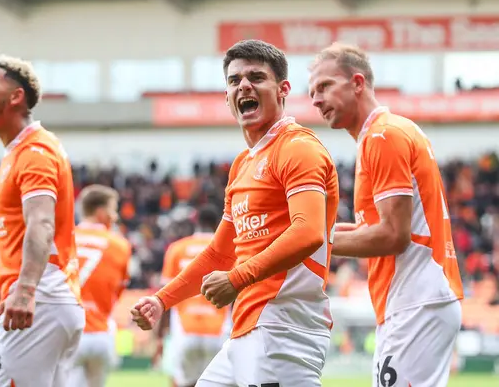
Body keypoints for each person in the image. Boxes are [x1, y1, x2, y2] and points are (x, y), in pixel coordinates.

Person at [131, 39, 340, 387]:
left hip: (283, 327)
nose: (244, 85)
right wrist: (161, 300)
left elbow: (308, 232)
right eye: (234, 80)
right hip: (247, 329)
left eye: (257, 77)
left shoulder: (298, 148)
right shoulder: (243, 164)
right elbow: (219, 253)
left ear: (283, 89)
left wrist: (236, 279)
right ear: (227, 97)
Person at [307, 42, 464, 387]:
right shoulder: (389, 132)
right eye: (312, 92)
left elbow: (393, 235)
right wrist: (311, 231)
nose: (315, 100)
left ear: (357, 83)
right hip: (415, 300)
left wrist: (314, 242)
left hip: (415, 299)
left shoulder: (382, 136)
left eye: (325, 87)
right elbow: (374, 226)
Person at [0, 55, 85, 387]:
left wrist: (26, 291)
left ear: (15, 97)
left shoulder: (35, 152)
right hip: (49, 300)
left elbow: (41, 225)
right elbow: (14, 253)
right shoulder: (18, 153)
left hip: (39, 300)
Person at [157, 204, 232, 387]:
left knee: (182, 382)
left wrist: (160, 336)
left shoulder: (177, 248)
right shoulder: (229, 250)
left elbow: (166, 294)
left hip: (184, 330)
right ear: (217, 225)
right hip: (218, 330)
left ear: (196, 223)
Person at [70, 184, 132, 387]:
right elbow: (118, 291)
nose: (115, 217)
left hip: (68, 332)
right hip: (101, 334)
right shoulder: (121, 245)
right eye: (113, 210)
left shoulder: (64, 238)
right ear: (101, 212)